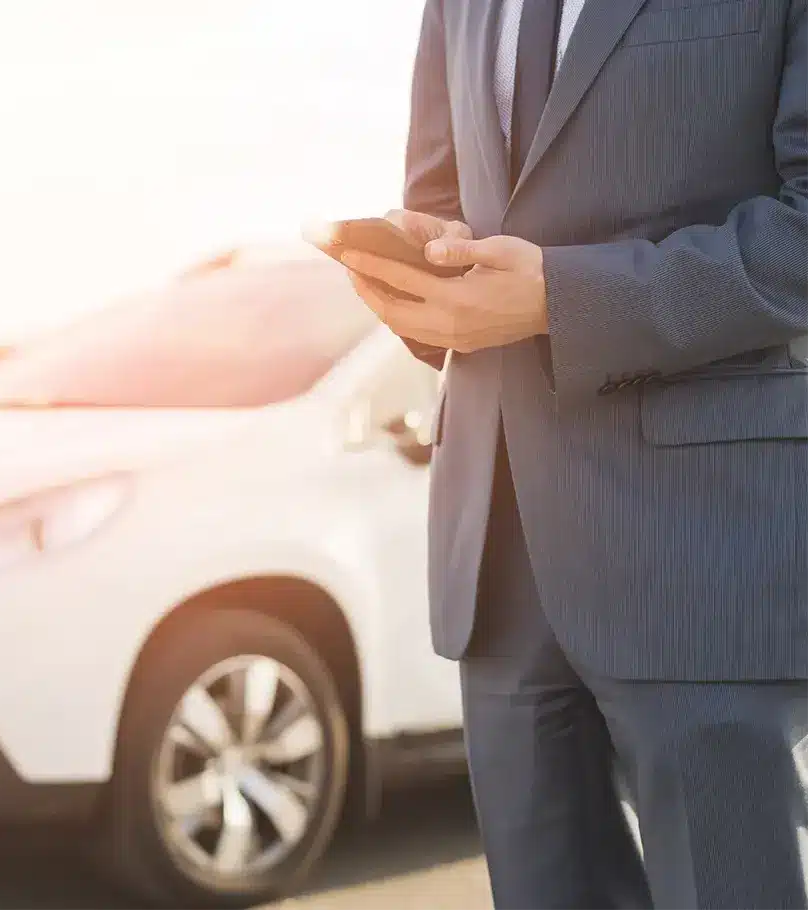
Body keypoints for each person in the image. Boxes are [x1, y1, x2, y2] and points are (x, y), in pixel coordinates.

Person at [342, 1, 808, 908]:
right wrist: (422, 287)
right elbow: (442, 200)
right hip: (499, 545)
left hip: (697, 545)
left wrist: (563, 298)